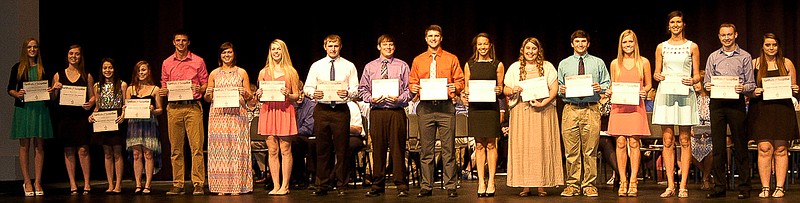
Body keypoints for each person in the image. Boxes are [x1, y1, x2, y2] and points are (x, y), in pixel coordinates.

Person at [409, 24, 465, 198]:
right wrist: (414, 87)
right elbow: (412, 82)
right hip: (425, 108)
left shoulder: (451, 58)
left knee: (448, 149)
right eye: (430, 36)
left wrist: (454, 87)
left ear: (441, 38)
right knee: (426, 149)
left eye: (436, 36)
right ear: (426, 39)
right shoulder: (418, 60)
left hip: (445, 107)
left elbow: (461, 81)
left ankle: (450, 186)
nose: (433, 39)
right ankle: (426, 186)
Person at [504, 37, 563, 197]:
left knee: (541, 146)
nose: (530, 52)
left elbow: (554, 88)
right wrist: (513, 89)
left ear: (539, 51)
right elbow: (505, 89)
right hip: (522, 112)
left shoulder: (547, 66)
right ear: (523, 50)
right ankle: (525, 185)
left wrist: (544, 102)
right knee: (524, 148)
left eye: (534, 49)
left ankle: (542, 184)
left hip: (543, 111)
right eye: (527, 48)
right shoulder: (515, 68)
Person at [651, 11, 701, 198]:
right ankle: (671, 185)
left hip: (684, 93)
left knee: (685, 140)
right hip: (667, 93)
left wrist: (693, 80)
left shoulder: (692, 46)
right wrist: (657, 76)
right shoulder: (661, 47)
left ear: (683, 24)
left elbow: (697, 75)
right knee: (668, 140)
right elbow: (657, 72)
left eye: (678, 21)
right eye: (672, 22)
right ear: (668, 25)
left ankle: (684, 185)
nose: (675, 25)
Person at [303, 34, 359, 196]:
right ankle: (323, 184)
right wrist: (314, 93)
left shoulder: (349, 66)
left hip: (341, 110)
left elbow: (356, 88)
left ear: (340, 47)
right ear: (324, 47)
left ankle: (342, 184)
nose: (333, 49)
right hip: (322, 109)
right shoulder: (317, 66)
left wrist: (347, 93)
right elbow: (307, 87)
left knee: (342, 149)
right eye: (330, 46)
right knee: (322, 148)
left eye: (336, 46)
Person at [703, 23, 755, 199]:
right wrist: (707, 85)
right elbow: (706, 82)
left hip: (736, 103)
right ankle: (719, 187)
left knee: (740, 145)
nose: (726, 38)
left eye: (729, 34)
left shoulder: (745, 57)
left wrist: (743, 87)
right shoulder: (713, 57)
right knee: (718, 147)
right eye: (723, 35)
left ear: (736, 35)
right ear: (719, 37)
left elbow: (751, 85)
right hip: (717, 104)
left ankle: (745, 187)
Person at [556, 29, 610, 197]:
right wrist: (561, 89)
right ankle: (572, 184)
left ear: (588, 43)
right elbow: (557, 86)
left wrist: (599, 87)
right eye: (577, 42)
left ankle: (589, 184)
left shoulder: (598, 62)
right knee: (571, 150)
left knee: (590, 150)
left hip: (591, 108)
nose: (580, 44)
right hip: (570, 108)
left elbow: (607, 83)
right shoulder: (564, 64)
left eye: (583, 41)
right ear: (572, 44)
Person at [358, 34, 411, 197]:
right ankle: (377, 185)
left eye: (391, 44)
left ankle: (401, 185)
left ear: (394, 47)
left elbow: (409, 90)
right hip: (377, 112)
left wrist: (400, 98)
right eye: (385, 44)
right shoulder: (370, 67)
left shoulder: (402, 66)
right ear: (378, 47)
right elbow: (362, 90)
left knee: (398, 149)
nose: (388, 47)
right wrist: (371, 98)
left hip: (396, 111)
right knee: (378, 149)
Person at [748, 33, 799, 198]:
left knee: (781, 149)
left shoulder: (786, 63)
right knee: (764, 149)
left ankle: (779, 186)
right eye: (768, 45)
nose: (771, 48)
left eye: (774, 45)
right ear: (762, 46)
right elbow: (748, 88)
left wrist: (795, 88)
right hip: (762, 109)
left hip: (782, 110)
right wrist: (753, 91)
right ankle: (764, 187)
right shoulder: (755, 63)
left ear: (778, 46)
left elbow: (793, 87)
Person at [159, 30, 209, 195]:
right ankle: (178, 183)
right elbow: (164, 83)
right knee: (176, 148)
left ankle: (198, 183)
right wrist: (163, 91)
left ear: (188, 42)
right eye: (178, 40)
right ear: (173, 42)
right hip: (173, 108)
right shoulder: (167, 62)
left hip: (192, 107)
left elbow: (205, 85)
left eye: (184, 40)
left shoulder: (198, 61)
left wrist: (199, 88)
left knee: (196, 147)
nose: (181, 43)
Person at [606, 29, 652, 197]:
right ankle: (623, 180)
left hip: (635, 107)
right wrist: (610, 91)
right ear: (621, 44)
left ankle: (633, 180)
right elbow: (613, 84)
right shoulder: (614, 63)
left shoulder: (643, 62)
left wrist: (645, 91)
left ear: (635, 43)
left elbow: (648, 85)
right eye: (625, 42)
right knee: (619, 143)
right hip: (619, 107)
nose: (628, 45)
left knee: (634, 142)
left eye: (630, 41)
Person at [204, 42, 254, 195]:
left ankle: (237, 186)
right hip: (218, 117)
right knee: (221, 150)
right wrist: (207, 95)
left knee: (236, 149)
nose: (226, 55)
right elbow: (208, 98)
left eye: (229, 52)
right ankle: (221, 186)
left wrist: (245, 93)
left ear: (234, 54)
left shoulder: (242, 72)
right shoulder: (214, 74)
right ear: (220, 55)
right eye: (224, 53)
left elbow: (250, 96)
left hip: (237, 116)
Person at [7, 37, 54, 196]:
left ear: (38, 49)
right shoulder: (17, 68)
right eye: (29, 47)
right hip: (24, 109)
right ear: (25, 50)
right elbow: (10, 89)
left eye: (34, 47)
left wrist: (50, 91)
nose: (32, 50)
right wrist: (17, 94)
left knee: (39, 145)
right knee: (24, 145)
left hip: (40, 108)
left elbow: (50, 91)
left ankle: (38, 181)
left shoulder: (43, 67)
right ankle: (27, 181)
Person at [255, 39, 301, 195]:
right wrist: (258, 94)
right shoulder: (263, 72)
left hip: (285, 110)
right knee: (272, 150)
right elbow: (259, 97)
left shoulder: (291, 72)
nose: (276, 52)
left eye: (279, 49)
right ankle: (276, 185)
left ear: (284, 51)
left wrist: (289, 94)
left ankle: (285, 186)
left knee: (285, 149)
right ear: (270, 51)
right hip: (268, 111)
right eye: (273, 49)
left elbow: (297, 95)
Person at [462, 33, 504, 197]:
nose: (482, 47)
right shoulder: (469, 65)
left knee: (491, 144)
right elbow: (466, 87)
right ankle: (481, 181)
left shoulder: (497, 64)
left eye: (485, 44)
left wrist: (499, 90)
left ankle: (492, 181)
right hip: (476, 108)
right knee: (479, 145)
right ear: (476, 46)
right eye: (480, 44)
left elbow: (500, 88)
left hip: (490, 108)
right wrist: (465, 93)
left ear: (490, 45)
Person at [51, 44, 96, 195]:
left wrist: (90, 102)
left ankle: (87, 183)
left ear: (80, 57)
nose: (74, 56)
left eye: (77, 54)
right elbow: (52, 98)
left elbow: (93, 96)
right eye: (71, 53)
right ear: (67, 56)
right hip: (65, 118)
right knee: (69, 150)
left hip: (81, 118)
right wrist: (55, 89)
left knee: (83, 150)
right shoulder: (58, 75)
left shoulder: (86, 75)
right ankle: (73, 184)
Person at [88, 58, 127, 194]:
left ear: (114, 69)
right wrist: (92, 115)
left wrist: (123, 115)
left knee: (117, 152)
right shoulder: (97, 86)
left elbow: (125, 104)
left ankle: (118, 185)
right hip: (103, 119)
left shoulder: (122, 84)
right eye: (105, 68)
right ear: (102, 70)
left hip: (116, 118)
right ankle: (110, 184)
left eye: (110, 68)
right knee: (107, 153)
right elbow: (97, 107)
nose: (107, 70)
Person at [125, 60, 163, 195]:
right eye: (139, 70)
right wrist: (125, 109)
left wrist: (153, 110)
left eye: (144, 70)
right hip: (134, 124)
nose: (141, 73)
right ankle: (137, 184)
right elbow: (126, 108)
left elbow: (160, 109)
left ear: (148, 72)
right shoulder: (130, 89)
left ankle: (147, 184)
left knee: (148, 153)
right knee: (136, 154)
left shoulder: (155, 89)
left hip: (149, 123)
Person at [690, 70, 713, 191]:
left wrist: (710, 130)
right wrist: (692, 132)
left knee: (711, 149)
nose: (695, 85)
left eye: (698, 83)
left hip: (711, 132)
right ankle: (708, 175)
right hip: (695, 132)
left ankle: (705, 179)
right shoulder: (692, 99)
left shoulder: (712, 99)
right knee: (688, 149)